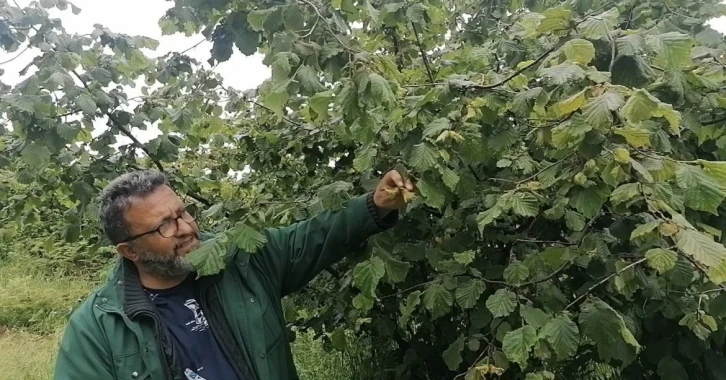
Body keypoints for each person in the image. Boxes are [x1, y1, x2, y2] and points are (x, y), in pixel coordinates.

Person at [53, 169, 415, 380]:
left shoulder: (241, 259)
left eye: (183, 212)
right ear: (129, 251)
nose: (185, 228)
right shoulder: (99, 328)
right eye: (164, 225)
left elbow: (313, 237)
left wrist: (375, 206)